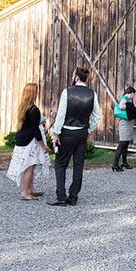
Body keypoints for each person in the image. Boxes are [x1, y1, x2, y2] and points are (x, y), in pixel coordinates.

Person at [48, 67, 100, 206]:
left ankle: (61, 196)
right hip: (82, 132)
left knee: (60, 164)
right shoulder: (92, 94)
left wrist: (56, 133)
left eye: (72, 75)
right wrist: (88, 129)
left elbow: (61, 115)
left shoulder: (67, 92)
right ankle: (73, 196)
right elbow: (97, 117)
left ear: (76, 77)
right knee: (78, 165)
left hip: (67, 132)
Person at [6, 83, 50, 200]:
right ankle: (25, 192)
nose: (38, 93)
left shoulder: (23, 107)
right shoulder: (33, 109)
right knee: (29, 166)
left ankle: (31, 188)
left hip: (22, 138)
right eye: (36, 91)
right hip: (29, 140)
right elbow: (35, 129)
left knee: (31, 164)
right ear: (32, 93)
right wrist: (43, 145)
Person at [112, 85, 136, 172]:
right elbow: (121, 106)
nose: (134, 96)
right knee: (122, 144)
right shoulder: (125, 98)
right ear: (131, 93)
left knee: (125, 144)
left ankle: (124, 162)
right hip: (125, 124)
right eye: (134, 94)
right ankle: (115, 164)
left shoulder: (128, 99)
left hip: (128, 123)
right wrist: (130, 107)